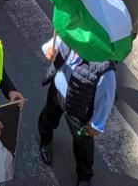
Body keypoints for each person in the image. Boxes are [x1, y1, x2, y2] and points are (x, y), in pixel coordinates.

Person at [37, 34, 116, 186]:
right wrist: (49, 51)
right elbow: (50, 47)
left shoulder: (105, 67)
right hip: (57, 92)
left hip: (78, 107)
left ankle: (84, 177)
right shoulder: (69, 37)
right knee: (47, 119)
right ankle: (45, 143)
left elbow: (106, 97)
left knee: (83, 143)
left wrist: (97, 123)